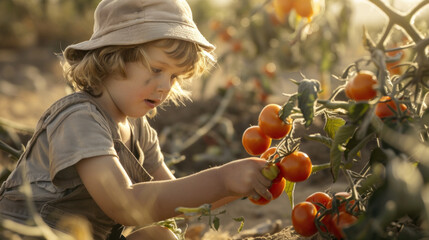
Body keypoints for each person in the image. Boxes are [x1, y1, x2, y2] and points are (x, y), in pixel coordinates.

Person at [0, 0, 274, 239]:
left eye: (174, 76)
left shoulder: (138, 130)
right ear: (112, 58)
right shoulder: (78, 119)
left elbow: (177, 203)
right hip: (27, 234)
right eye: (157, 69)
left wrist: (243, 184)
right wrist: (222, 179)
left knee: (161, 234)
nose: (165, 86)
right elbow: (124, 204)